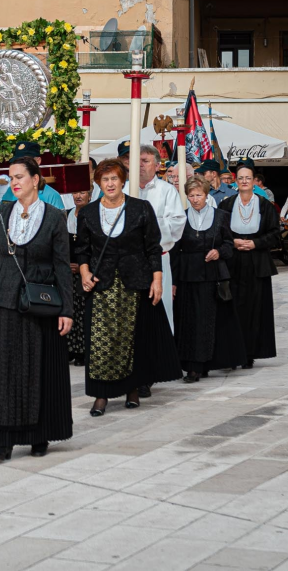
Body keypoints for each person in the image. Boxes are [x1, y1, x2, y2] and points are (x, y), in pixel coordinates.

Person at [0, 156, 74, 462]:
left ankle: (38, 435)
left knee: (39, 368)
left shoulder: (55, 217)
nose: (14, 182)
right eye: (11, 178)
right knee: (3, 371)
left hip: (41, 303)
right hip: (1, 301)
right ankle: (2, 440)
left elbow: (61, 267)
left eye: (19, 177)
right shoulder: (1, 213)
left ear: (36, 179)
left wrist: (67, 309)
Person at [77, 159, 181, 416]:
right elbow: (82, 250)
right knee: (101, 340)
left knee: (134, 338)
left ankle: (133, 389)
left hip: (136, 283)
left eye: (114, 178)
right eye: (104, 179)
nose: (110, 183)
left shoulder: (141, 208)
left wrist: (158, 280)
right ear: (98, 183)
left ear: (123, 181)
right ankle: (101, 395)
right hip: (102, 285)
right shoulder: (89, 213)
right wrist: (84, 273)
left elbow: (152, 248)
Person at [171, 177, 246, 383]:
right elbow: (175, 253)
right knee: (189, 321)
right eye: (191, 195)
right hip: (188, 275)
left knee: (208, 321)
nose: (195, 199)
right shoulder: (182, 217)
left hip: (212, 275)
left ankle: (204, 364)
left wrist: (218, 252)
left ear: (206, 195)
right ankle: (193, 365)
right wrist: (173, 282)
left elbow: (230, 245)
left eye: (199, 195)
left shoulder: (221, 216)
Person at [218, 161, 280, 368]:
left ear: (254, 181)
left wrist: (256, 243)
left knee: (254, 310)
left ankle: (250, 352)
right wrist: (233, 242)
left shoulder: (265, 206)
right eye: (240, 178)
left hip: (257, 262)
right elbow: (218, 233)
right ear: (236, 182)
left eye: (248, 178)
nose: (244, 181)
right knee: (232, 307)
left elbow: (275, 234)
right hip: (233, 262)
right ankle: (231, 352)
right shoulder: (226, 205)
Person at [137, 145, 186, 340]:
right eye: (137, 161)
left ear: (157, 166)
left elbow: (177, 225)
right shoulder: (123, 188)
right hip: (129, 260)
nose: (140, 165)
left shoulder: (166, 191)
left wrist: (148, 227)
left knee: (161, 307)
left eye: (145, 161)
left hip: (158, 258)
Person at [0, 141, 65, 232]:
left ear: (38, 161)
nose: (20, 166)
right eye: (17, 161)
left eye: (26, 161)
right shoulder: (5, 191)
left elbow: (60, 234)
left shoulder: (51, 195)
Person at [65, 185, 92, 366]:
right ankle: (70, 349)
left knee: (84, 311)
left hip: (85, 271)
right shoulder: (65, 215)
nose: (78, 195)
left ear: (90, 195)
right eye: (75, 192)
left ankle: (84, 350)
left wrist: (82, 266)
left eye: (82, 192)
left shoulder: (92, 215)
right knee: (69, 309)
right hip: (66, 271)